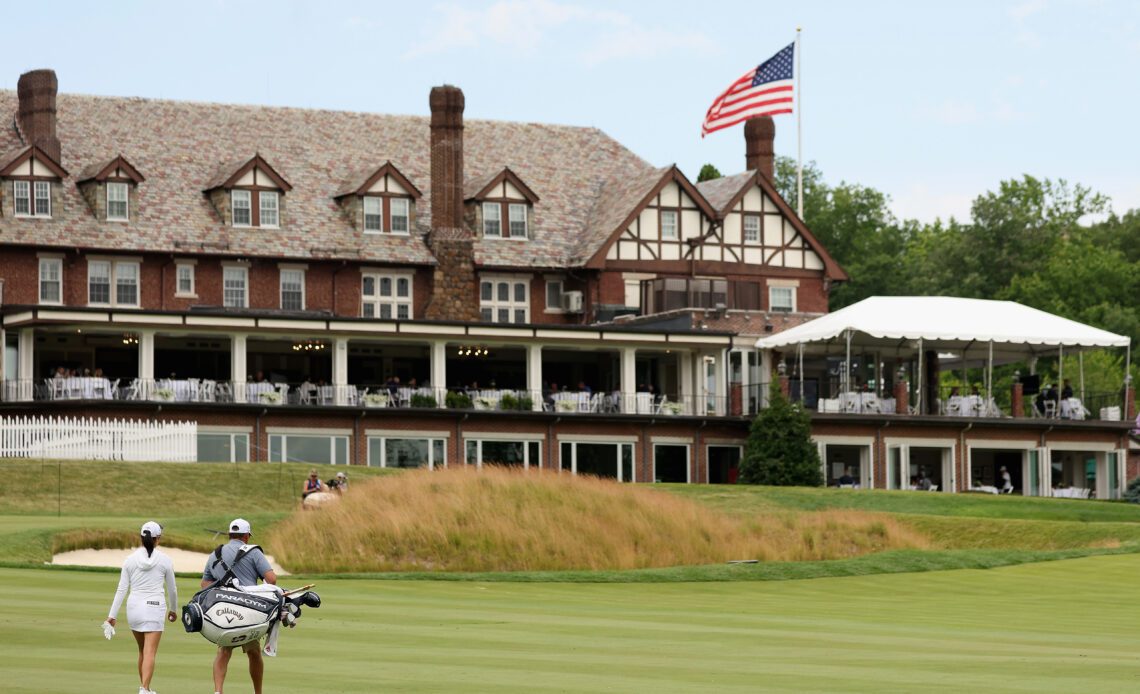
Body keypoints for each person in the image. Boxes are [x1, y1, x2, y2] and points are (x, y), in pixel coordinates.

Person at [201, 518, 278, 694]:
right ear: (246, 536)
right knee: (254, 652)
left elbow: (205, 584)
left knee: (223, 652)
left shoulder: (216, 553)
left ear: (230, 535)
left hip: (226, 612)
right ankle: (257, 692)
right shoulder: (253, 552)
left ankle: (218, 691)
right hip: (248, 611)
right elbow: (272, 579)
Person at [105, 521, 178, 694]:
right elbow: (172, 589)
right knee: (150, 652)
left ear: (141, 537)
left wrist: (112, 615)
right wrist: (173, 609)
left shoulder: (130, 560)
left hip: (134, 609)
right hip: (154, 608)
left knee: (142, 651)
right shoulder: (165, 560)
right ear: (157, 539)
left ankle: (145, 688)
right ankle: (144, 689)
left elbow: (122, 589)